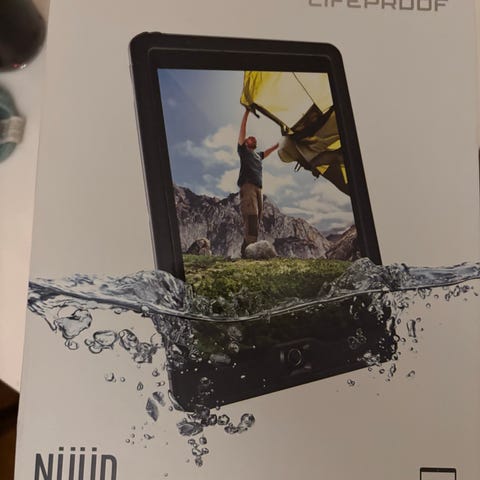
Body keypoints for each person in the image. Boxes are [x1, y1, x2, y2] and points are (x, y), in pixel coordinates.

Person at [237, 108, 279, 257]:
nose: (252, 138)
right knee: (252, 217)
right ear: (245, 142)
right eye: (250, 138)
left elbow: (269, 151)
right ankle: (250, 252)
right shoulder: (243, 151)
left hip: (258, 189)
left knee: (257, 218)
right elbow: (243, 129)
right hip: (248, 186)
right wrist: (247, 112)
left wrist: (278, 144)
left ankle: (246, 250)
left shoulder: (258, 155)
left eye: (254, 139)